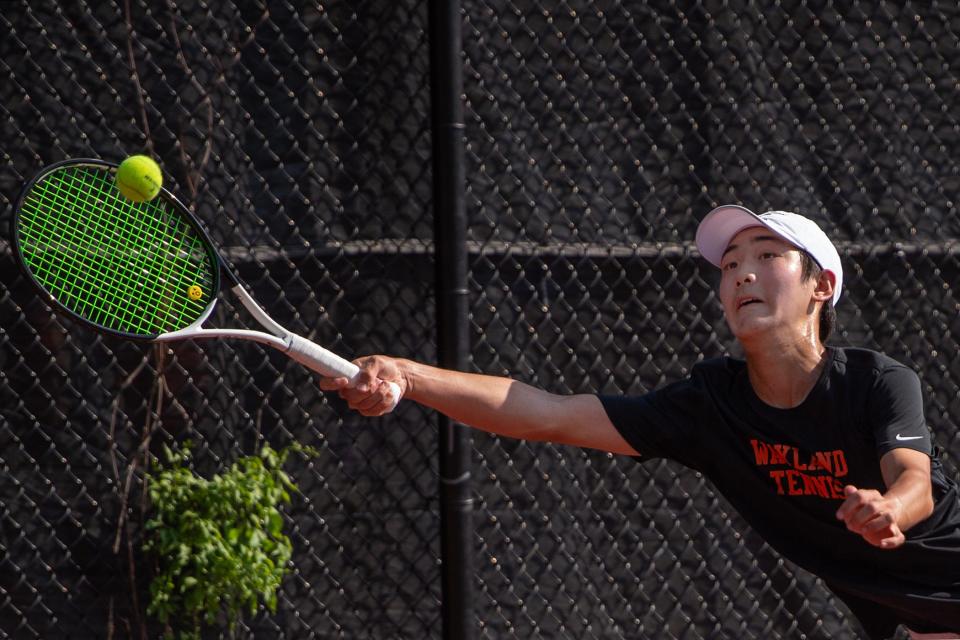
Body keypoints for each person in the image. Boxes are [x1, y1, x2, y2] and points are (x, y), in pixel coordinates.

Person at [319, 205, 960, 640]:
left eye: (765, 256)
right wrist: (407, 373)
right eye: (730, 265)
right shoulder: (710, 405)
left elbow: (915, 483)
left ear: (820, 286)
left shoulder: (877, 380)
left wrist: (888, 511)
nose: (740, 274)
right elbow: (549, 416)